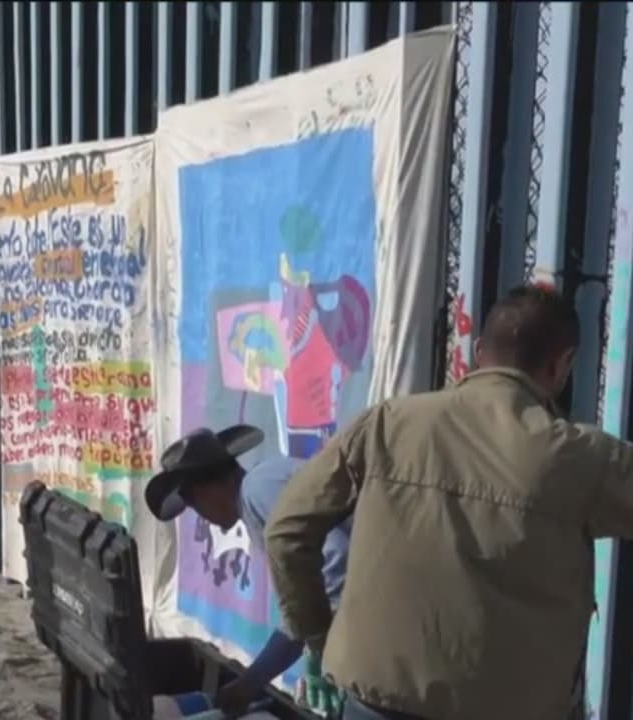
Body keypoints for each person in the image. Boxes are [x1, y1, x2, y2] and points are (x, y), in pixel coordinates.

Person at [264, 284, 631, 720]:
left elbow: (285, 530)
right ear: (562, 364)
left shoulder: (387, 425)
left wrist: (319, 638)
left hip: (372, 703)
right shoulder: (582, 458)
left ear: (479, 352)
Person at [143, 426, 349, 718]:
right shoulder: (262, 491)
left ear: (203, 492)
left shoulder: (258, 490)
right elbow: (299, 617)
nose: (205, 519)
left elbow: (336, 558)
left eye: (195, 506)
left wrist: (319, 646)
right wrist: (250, 683)